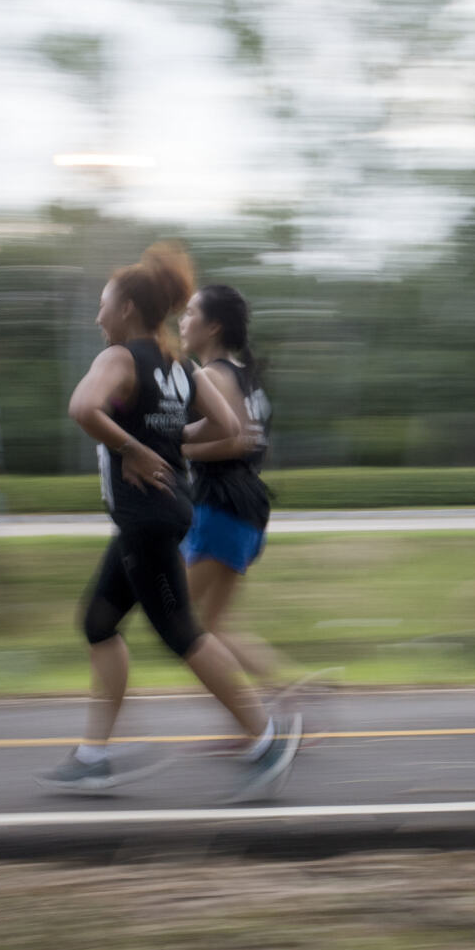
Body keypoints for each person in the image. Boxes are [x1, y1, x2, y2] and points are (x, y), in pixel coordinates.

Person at [36, 242, 301, 799]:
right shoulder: (180, 366)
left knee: (182, 631)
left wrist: (134, 447)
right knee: (98, 624)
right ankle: (92, 756)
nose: (97, 315)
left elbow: (83, 409)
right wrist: (169, 438)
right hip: (162, 514)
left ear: (129, 308)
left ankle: (265, 738)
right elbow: (228, 425)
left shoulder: (119, 358)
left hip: (147, 520)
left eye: (104, 303)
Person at [177, 284, 295, 695]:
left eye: (190, 313)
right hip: (241, 506)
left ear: (212, 326)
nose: (181, 320)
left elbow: (239, 440)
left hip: (222, 507)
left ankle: (255, 720)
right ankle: (290, 698)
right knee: (214, 625)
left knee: (180, 621)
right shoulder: (244, 375)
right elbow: (255, 442)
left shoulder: (211, 375)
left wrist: (176, 448)